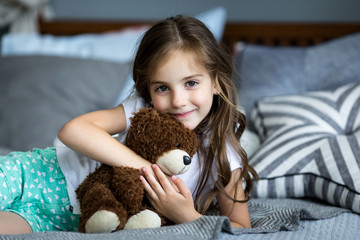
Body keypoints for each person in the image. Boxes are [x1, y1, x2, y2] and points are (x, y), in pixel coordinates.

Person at [0, 15, 257, 234]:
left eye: (191, 83)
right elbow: (72, 131)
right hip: (37, 174)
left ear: (216, 82)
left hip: (65, 219)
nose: (178, 101)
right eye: (162, 88)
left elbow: (241, 229)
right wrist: (147, 170)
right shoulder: (143, 108)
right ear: (149, 88)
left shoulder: (223, 155)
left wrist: (184, 215)